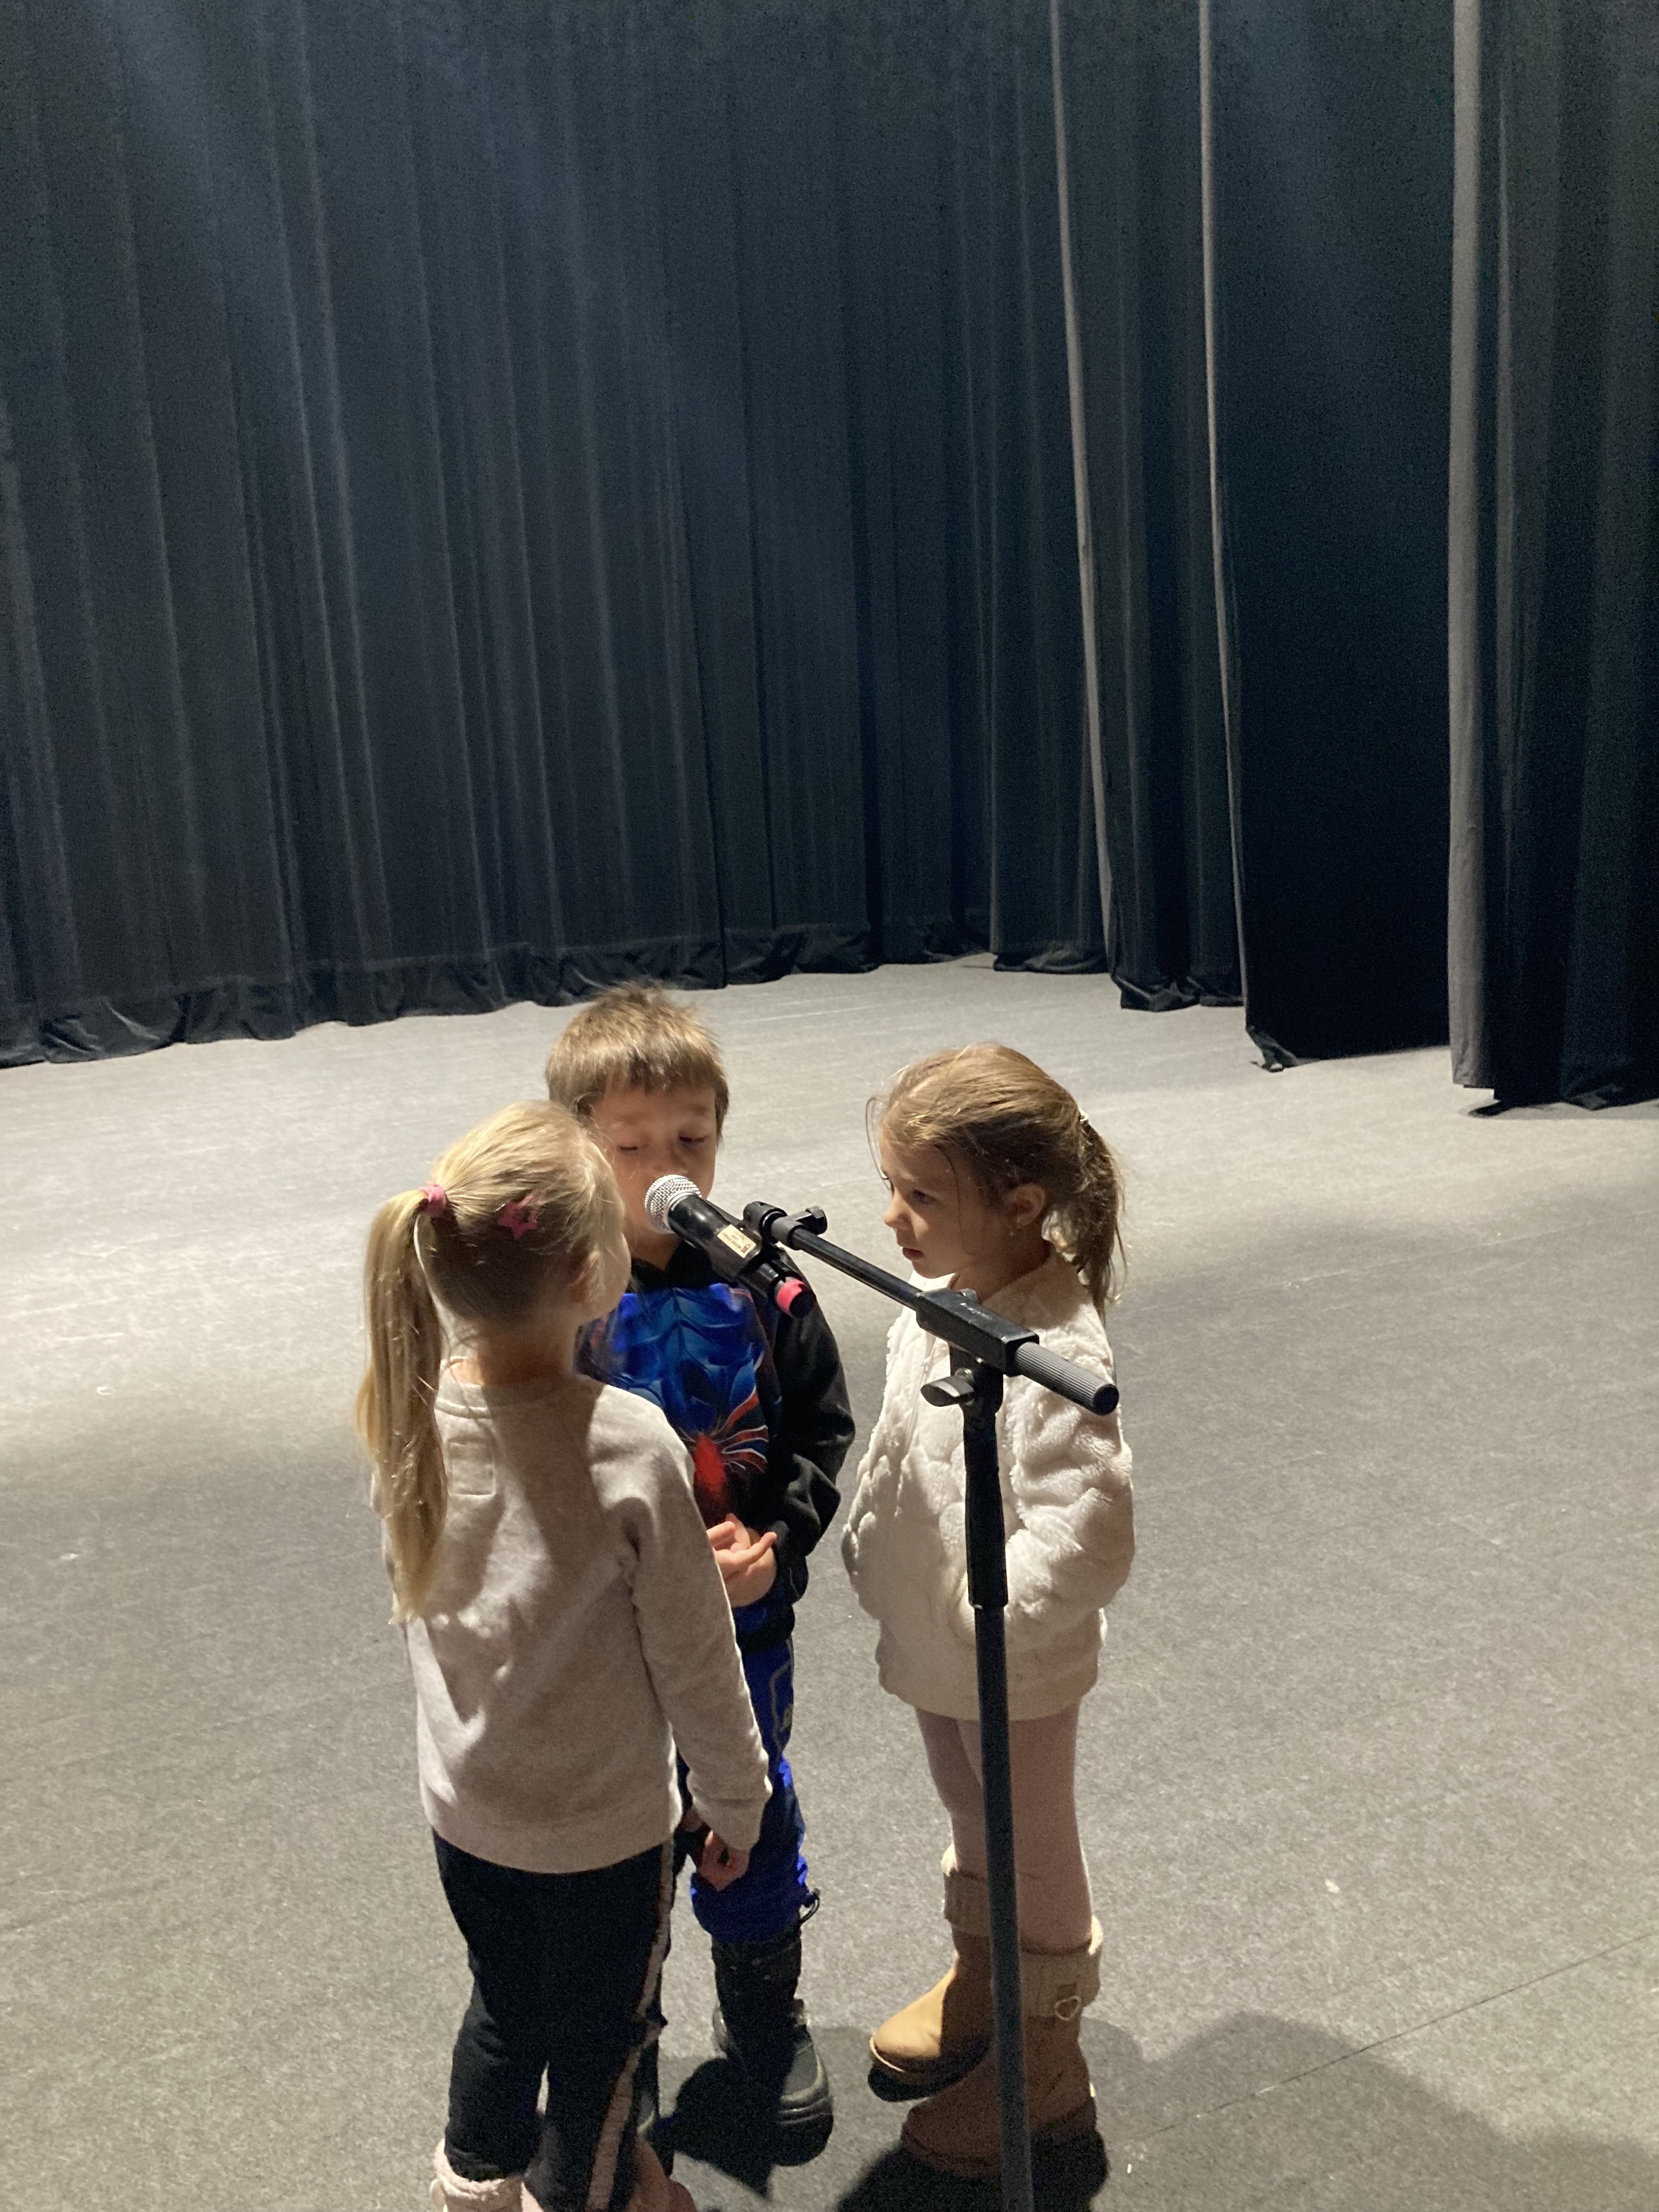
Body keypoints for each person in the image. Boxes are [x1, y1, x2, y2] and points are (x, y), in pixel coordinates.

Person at [357, 1101, 770, 2212]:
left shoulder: (410, 1417)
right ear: (594, 1276)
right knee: (602, 2048)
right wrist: (737, 1802)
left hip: (468, 1819)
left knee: (505, 2010)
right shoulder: (627, 1443)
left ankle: (472, 2190)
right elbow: (697, 1662)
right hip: (601, 1843)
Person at [546, 985, 854, 2143]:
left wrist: (778, 1543)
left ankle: (761, 2009)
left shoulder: (766, 1282)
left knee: (750, 1805)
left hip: (744, 1629)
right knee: (618, 1838)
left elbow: (820, 1432)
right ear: (578, 1145)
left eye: (691, 1140)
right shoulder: (555, 1296)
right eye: (629, 1147)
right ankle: (619, 2034)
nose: (665, 1169)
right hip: (603, 1644)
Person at [841, 1044, 1136, 2177]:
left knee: (1033, 1840)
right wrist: (879, 1551)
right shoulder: (938, 1299)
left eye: (921, 1195)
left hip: (1011, 1655)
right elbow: (900, 1446)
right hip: (937, 1633)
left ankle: (1047, 2057)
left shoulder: (1054, 1346)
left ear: (1020, 1205)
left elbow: (1090, 1532)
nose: (893, 1218)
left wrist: (990, 1627)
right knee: (968, 1807)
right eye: (893, 1187)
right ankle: (984, 1975)